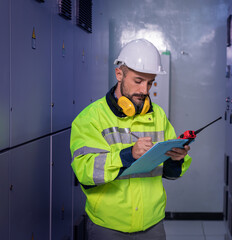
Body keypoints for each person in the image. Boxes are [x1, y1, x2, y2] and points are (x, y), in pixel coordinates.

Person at [70, 39, 192, 240]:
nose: (145, 90)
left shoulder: (158, 116)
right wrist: (128, 155)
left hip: (152, 224)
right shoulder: (91, 118)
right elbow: (84, 170)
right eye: (138, 81)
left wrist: (176, 159)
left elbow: (170, 173)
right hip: (108, 227)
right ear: (119, 74)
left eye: (150, 83)